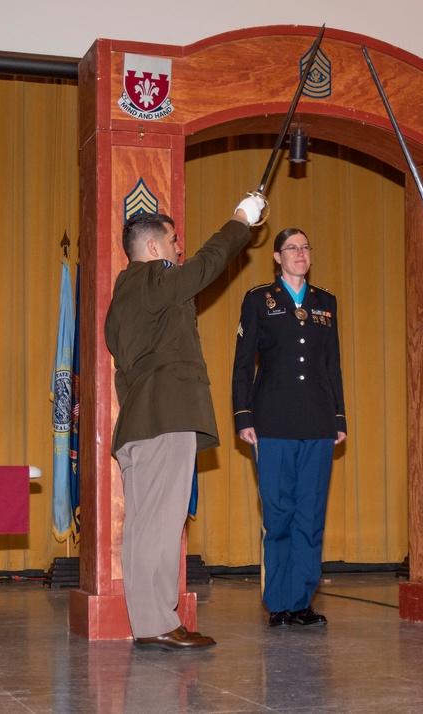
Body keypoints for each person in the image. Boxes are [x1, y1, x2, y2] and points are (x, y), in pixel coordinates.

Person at [105, 194, 265, 651]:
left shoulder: (123, 297)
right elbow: (205, 266)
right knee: (160, 523)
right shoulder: (154, 278)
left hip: (140, 422)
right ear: (154, 249)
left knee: (143, 526)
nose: (180, 249)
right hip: (165, 416)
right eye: (174, 241)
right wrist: (239, 221)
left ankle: (149, 621)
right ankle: (157, 624)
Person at [231, 227, 346, 628]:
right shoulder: (259, 299)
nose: (300, 253)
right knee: (279, 514)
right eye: (291, 248)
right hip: (272, 421)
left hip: (317, 420)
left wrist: (339, 418)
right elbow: (243, 363)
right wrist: (243, 415)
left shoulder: (325, 302)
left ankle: (302, 600)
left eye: (305, 247)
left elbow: (332, 365)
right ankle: (279, 603)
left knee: (310, 515)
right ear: (278, 258)